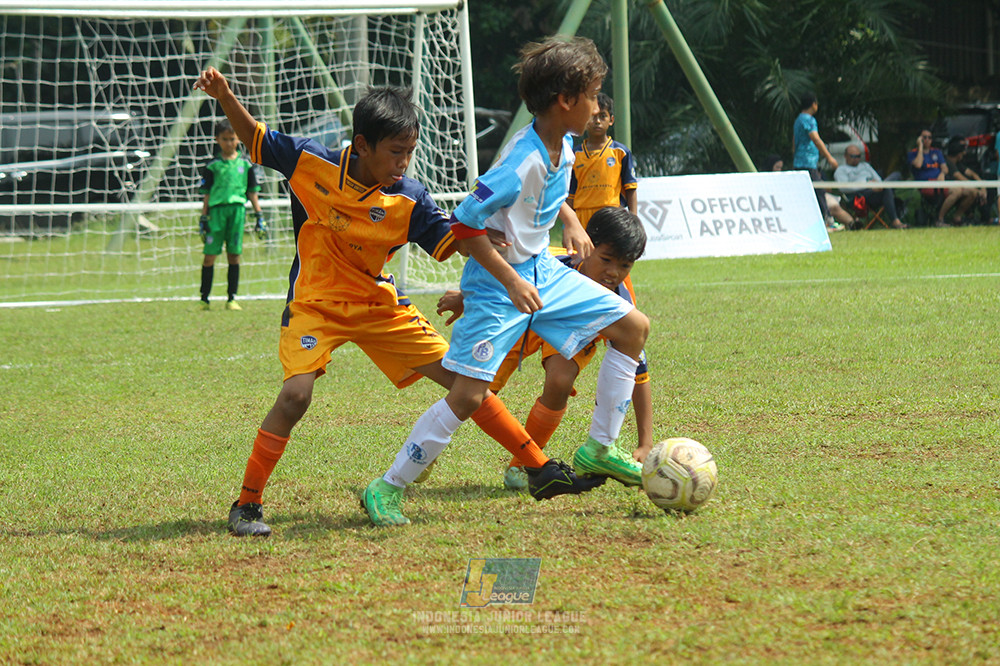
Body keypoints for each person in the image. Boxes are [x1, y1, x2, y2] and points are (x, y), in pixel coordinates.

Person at [193, 67, 602, 537]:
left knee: (464, 382)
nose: (405, 162)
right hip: (315, 303)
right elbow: (257, 140)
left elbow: (461, 240)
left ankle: (538, 466)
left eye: (411, 151)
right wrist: (225, 94)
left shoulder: (410, 198)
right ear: (362, 144)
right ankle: (247, 505)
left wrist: (502, 270)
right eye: (395, 152)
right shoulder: (312, 161)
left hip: (379, 305)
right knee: (294, 396)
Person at [363, 37, 650, 527]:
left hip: (541, 269)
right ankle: (387, 487)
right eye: (594, 94)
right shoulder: (521, 160)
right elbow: (465, 223)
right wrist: (510, 282)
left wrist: (572, 222)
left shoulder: (562, 143)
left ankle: (600, 447)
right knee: (468, 396)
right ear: (566, 101)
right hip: (499, 284)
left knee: (632, 327)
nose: (599, 106)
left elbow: (548, 193)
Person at [433, 206, 653, 491]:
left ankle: (523, 466)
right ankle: (428, 452)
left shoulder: (620, 307)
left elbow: (638, 370)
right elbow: (505, 273)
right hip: (522, 315)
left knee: (560, 381)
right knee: (472, 391)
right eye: (606, 259)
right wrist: (464, 296)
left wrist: (645, 442)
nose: (613, 273)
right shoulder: (551, 259)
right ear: (586, 246)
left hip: (570, 329)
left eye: (625, 266)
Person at [197, 119, 265, 310]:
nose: (229, 143)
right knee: (209, 256)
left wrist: (259, 215)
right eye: (225, 139)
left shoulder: (246, 164)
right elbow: (207, 194)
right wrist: (204, 217)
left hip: (237, 212)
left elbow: (252, 192)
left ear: (238, 139)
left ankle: (231, 298)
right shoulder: (213, 165)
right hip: (216, 213)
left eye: (232, 139)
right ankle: (204, 298)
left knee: (234, 255)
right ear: (217, 140)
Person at [567, 93, 638, 227]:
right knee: (584, 248)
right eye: (593, 117)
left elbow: (630, 188)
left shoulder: (621, 152)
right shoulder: (574, 154)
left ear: (611, 120)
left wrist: (634, 220)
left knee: (611, 248)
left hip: (612, 214)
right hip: (582, 216)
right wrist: (569, 225)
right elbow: (571, 193)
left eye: (602, 116)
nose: (597, 121)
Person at [763, 153, 855, 229]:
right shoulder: (766, 181)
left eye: (781, 167)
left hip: (818, 197)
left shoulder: (815, 172)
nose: (780, 170)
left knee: (835, 206)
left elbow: (828, 189)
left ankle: (853, 223)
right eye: (777, 167)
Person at [792, 93, 841, 231]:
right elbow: (816, 139)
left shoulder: (798, 120)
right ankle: (827, 220)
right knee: (819, 190)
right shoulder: (809, 120)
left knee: (804, 193)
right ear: (813, 104)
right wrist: (829, 157)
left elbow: (794, 141)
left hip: (799, 161)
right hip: (807, 161)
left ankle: (808, 221)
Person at [833, 146, 907, 229]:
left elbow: (878, 179)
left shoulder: (865, 166)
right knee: (887, 188)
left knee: (896, 175)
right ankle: (896, 222)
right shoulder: (841, 170)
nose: (856, 159)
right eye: (853, 156)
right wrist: (867, 185)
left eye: (858, 156)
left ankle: (884, 186)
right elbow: (844, 188)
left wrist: (877, 185)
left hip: (876, 190)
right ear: (845, 156)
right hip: (858, 197)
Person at [908, 129, 956, 227]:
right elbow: (918, 164)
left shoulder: (936, 152)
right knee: (956, 192)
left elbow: (945, 168)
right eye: (924, 137)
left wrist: (942, 174)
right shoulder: (913, 153)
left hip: (940, 183)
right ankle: (940, 219)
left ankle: (957, 218)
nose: (927, 140)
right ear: (920, 139)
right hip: (926, 184)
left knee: (966, 191)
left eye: (929, 137)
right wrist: (920, 147)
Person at [942, 137, 987, 225]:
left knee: (975, 192)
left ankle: (963, 217)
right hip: (947, 190)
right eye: (963, 153)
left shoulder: (958, 163)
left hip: (959, 189)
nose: (964, 154)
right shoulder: (948, 162)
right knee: (973, 192)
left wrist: (983, 187)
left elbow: (973, 174)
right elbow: (959, 177)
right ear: (958, 154)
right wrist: (978, 190)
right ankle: (954, 217)